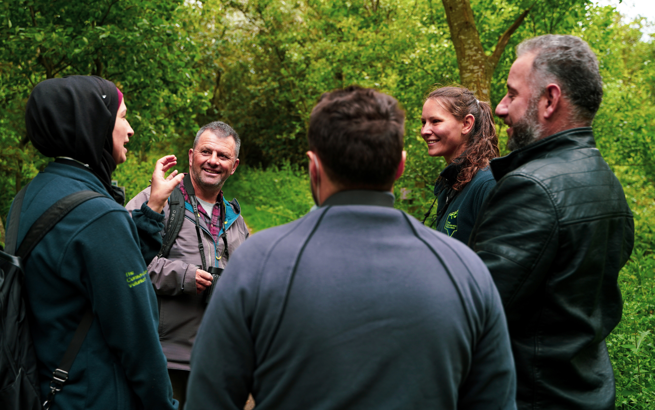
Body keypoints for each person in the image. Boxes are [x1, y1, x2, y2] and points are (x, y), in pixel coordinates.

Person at [185, 86, 517, 410]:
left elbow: (209, 396)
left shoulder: (255, 263)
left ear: (313, 167)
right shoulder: (466, 270)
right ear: (399, 167)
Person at [469, 35, 635, 410]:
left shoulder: (531, 188)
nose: (499, 107)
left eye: (512, 94)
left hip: (532, 396)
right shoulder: (605, 179)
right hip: (585, 393)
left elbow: (475, 310)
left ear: (549, 100)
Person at [17, 75, 181, 410]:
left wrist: (152, 208)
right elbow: (137, 339)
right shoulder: (97, 214)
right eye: (122, 116)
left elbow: (99, 267)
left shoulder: (30, 197)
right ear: (93, 123)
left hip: (47, 388)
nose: (130, 128)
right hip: (95, 395)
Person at [125, 121, 249, 410]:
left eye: (223, 156)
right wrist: (183, 276)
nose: (213, 161)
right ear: (192, 156)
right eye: (206, 152)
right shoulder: (157, 199)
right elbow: (122, 263)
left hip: (219, 364)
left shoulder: (236, 220)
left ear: (234, 165)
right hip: (165, 359)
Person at [420, 86, 499, 245]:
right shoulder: (452, 183)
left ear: (466, 124)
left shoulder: (488, 183)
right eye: (423, 122)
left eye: (435, 121)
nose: (424, 131)